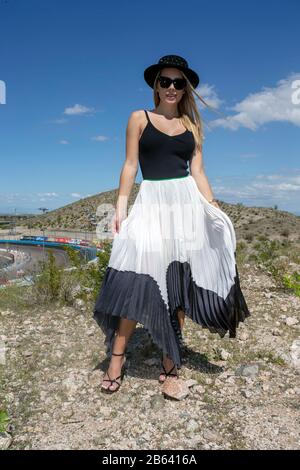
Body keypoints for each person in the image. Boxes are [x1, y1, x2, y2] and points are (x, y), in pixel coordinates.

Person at [93, 54, 251, 394]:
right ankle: (116, 358)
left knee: (176, 281)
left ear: (185, 88)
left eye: (179, 83)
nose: (172, 87)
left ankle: (171, 354)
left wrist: (213, 206)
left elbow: (198, 172)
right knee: (136, 277)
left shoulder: (192, 126)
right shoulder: (139, 118)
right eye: (165, 81)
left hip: (186, 206)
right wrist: (121, 206)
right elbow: (130, 165)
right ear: (156, 85)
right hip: (151, 203)